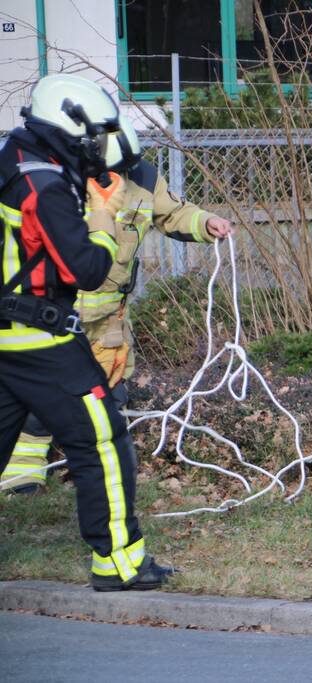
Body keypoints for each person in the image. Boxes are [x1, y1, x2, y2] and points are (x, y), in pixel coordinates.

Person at [0, 73, 172, 590]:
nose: (98, 149)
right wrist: (101, 217)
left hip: (9, 336)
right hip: (39, 339)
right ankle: (119, 562)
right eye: (93, 137)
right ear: (68, 128)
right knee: (103, 442)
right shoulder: (45, 186)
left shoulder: (13, 155)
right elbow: (86, 270)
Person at [0, 119, 234, 495]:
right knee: (38, 404)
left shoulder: (142, 177)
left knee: (110, 399)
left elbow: (172, 213)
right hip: (60, 315)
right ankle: (20, 479)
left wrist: (207, 223)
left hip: (110, 319)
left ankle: (96, 477)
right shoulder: (66, 181)